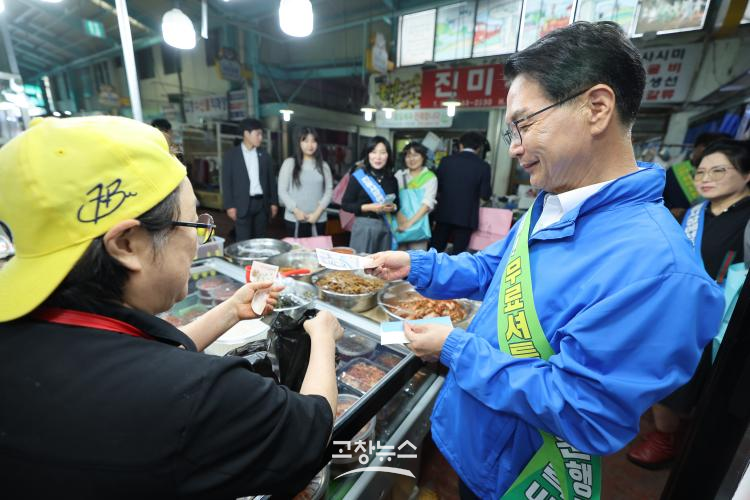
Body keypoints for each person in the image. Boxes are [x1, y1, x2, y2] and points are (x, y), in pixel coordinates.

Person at [368, 22, 724, 499]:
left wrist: (455, 349)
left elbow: (583, 409)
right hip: (478, 440)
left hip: (522, 473)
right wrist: (417, 267)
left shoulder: (660, 271)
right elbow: (491, 270)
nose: (514, 145)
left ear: (597, 108)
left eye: (525, 123)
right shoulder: (551, 204)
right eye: (510, 130)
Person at [0, 116, 343, 498]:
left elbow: (142, 357)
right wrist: (323, 334)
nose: (200, 241)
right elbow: (313, 431)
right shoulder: (198, 394)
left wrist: (231, 310)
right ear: (127, 244)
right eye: (194, 223)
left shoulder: (31, 337)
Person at [628, 139, 750, 469]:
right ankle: (665, 434)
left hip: (728, 318)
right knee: (666, 372)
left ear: (746, 174)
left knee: (712, 387)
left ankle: (687, 437)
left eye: (718, 170)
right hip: (684, 312)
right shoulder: (695, 213)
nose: (706, 178)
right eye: (701, 172)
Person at [430, 131, 491, 254]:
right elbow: (485, 194)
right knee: (459, 254)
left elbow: (437, 187)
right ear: (479, 148)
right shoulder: (484, 166)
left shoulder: (446, 161)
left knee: (435, 250)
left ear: (461, 145)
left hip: (444, 213)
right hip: (466, 217)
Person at [221, 118, 279, 241]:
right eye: (258, 134)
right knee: (243, 240)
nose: (260, 138)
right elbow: (226, 182)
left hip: (262, 204)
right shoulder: (231, 155)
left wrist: (274, 203)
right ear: (246, 134)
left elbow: (271, 181)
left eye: (261, 134)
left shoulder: (264, 155)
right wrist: (229, 205)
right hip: (242, 204)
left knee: (260, 239)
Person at [341, 136, 399, 253]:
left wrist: (393, 207)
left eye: (382, 152)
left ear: (388, 155)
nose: (378, 157)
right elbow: (345, 205)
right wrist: (369, 207)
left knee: (382, 263)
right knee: (361, 263)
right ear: (368, 154)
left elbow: (398, 205)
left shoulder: (392, 179)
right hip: (363, 226)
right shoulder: (358, 177)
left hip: (385, 227)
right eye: (373, 152)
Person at [278, 127, 333, 238]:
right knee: (296, 249)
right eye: (306, 141)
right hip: (294, 219)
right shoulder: (289, 163)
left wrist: (317, 214)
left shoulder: (324, 166)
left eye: (313, 141)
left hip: (318, 219)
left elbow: (329, 191)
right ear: (299, 142)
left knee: (317, 249)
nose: (310, 145)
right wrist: (295, 211)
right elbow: (282, 191)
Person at [663, 132, 731, 220]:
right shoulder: (674, 172)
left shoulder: (726, 178)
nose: (702, 159)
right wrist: (669, 211)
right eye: (700, 154)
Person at [395, 141, 437, 250]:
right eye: (408, 156)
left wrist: (409, 223)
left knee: (418, 258)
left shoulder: (430, 177)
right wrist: (401, 219)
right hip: (400, 224)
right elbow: (394, 199)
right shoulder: (399, 175)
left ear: (423, 157)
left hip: (419, 227)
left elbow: (427, 204)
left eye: (415, 155)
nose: (411, 159)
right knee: (397, 258)